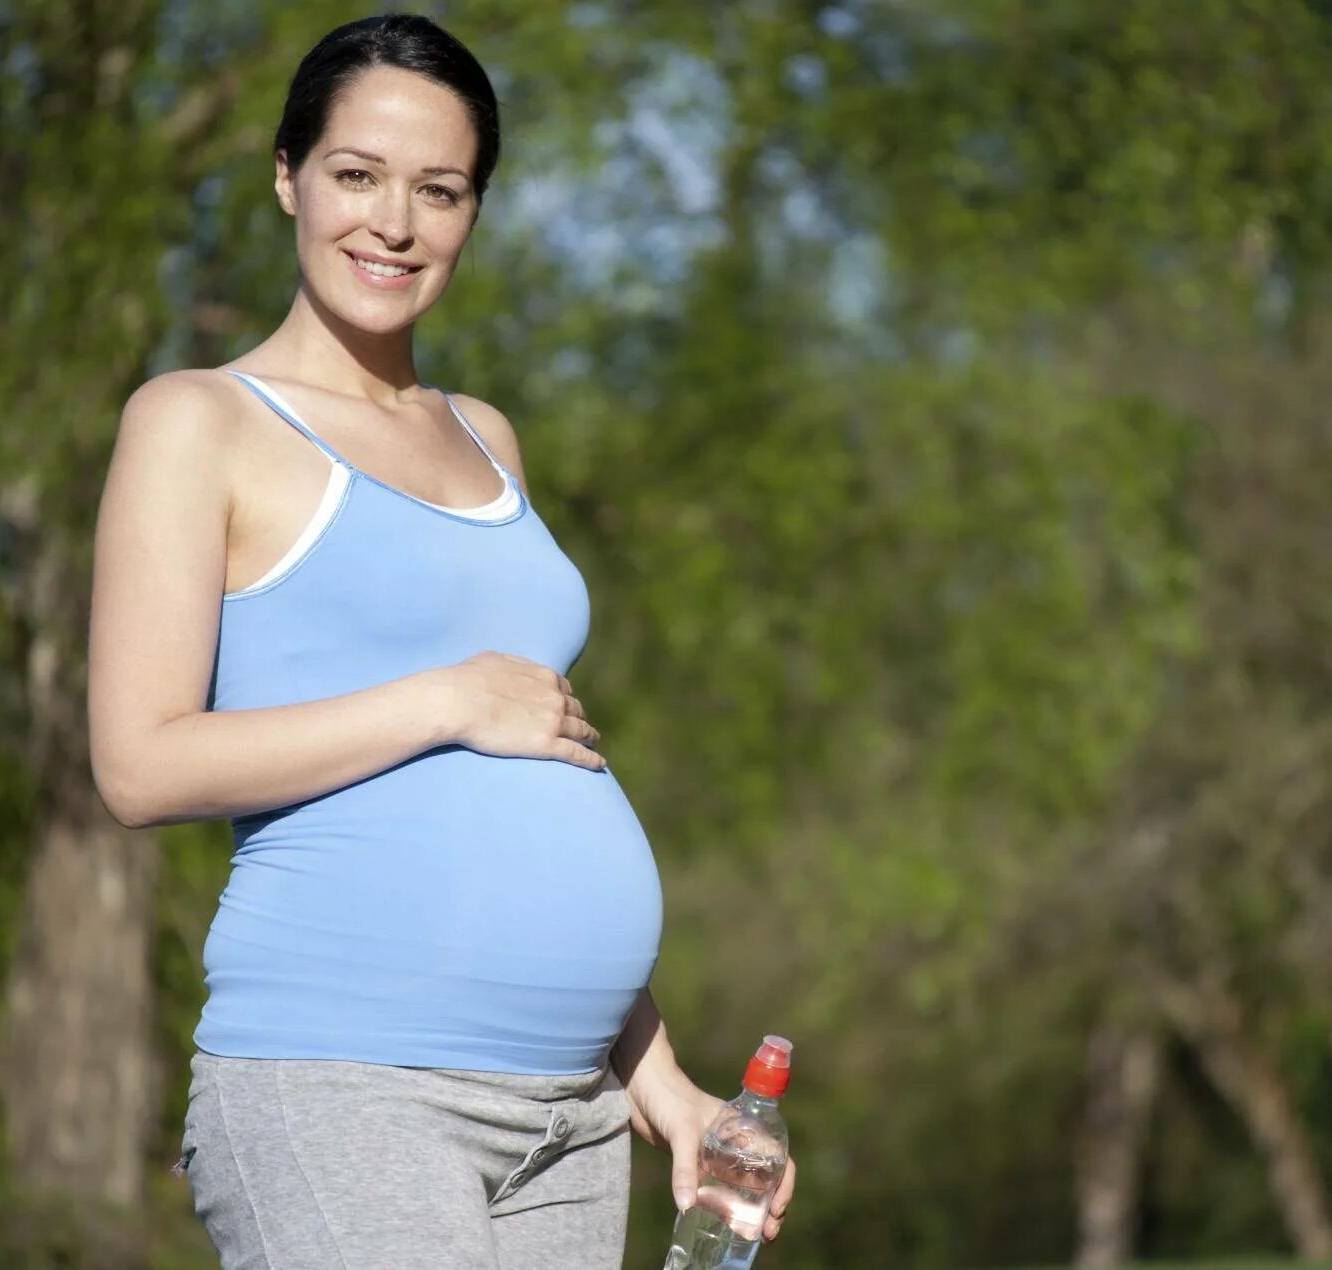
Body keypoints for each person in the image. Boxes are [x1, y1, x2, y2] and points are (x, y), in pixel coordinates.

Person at [85, 14, 794, 1267]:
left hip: (572, 1114)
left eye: (440, 190)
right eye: (357, 174)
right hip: (346, 1082)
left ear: (476, 211)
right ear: (287, 175)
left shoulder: (486, 437)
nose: (394, 224)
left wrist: (658, 1078)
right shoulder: (198, 422)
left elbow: (539, 767)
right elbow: (139, 766)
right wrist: (444, 699)